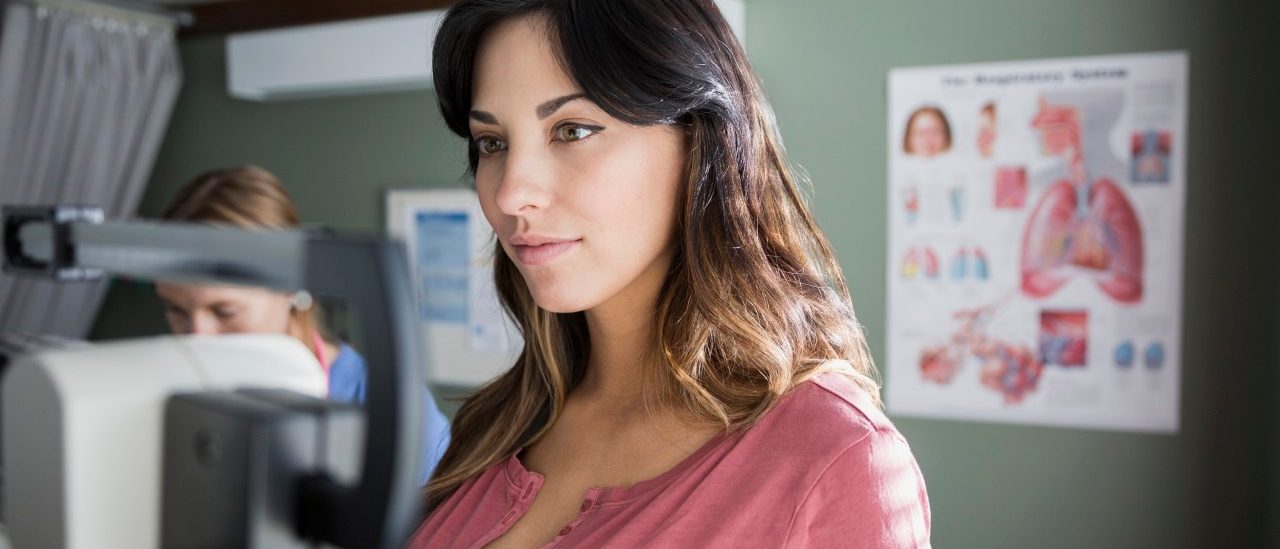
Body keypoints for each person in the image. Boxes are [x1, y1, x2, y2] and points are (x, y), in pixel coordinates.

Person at [412, 1, 931, 547]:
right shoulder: (494, 424)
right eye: (492, 143)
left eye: (573, 130)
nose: (510, 192)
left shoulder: (836, 463)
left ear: (700, 140)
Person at [154, 165, 451, 483]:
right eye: (177, 310)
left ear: (292, 285)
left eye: (225, 312)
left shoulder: (397, 414)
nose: (197, 337)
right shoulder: (161, 391)